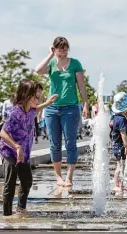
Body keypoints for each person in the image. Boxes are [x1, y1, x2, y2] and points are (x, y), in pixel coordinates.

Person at [0, 79, 58, 218]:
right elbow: (3, 132)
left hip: (23, 153)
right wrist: (16, 146)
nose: (38, 100)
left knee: (26, 181)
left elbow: (36, 109)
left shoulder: (31, 110)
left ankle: (21, 209)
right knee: (10, 183)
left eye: (40, 97)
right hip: (9, 152)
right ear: (26, 95)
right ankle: (7, 215)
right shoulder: (15, 113)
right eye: (36, 97)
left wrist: (47, 103)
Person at [35, 36, 89, 187]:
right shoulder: (51, 63)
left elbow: (81, 85)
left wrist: (85, 103)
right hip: (52, 108)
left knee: (71, 143)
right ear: (54, 49)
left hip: (71, 108)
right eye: (59, 48)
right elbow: (38, 70)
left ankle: (69, 177)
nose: (63, 51)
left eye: (65, 48)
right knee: (54, 144)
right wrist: (50, 55)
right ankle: (58, 176)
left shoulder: (75, 63)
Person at [111, 92, 127, 192]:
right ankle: (117, 185)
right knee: (120, 166)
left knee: (121, 166)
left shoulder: (115, 117)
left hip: (116, 145)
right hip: (121, 146)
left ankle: (121, 185)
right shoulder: (122, 119)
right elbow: (123, 134)